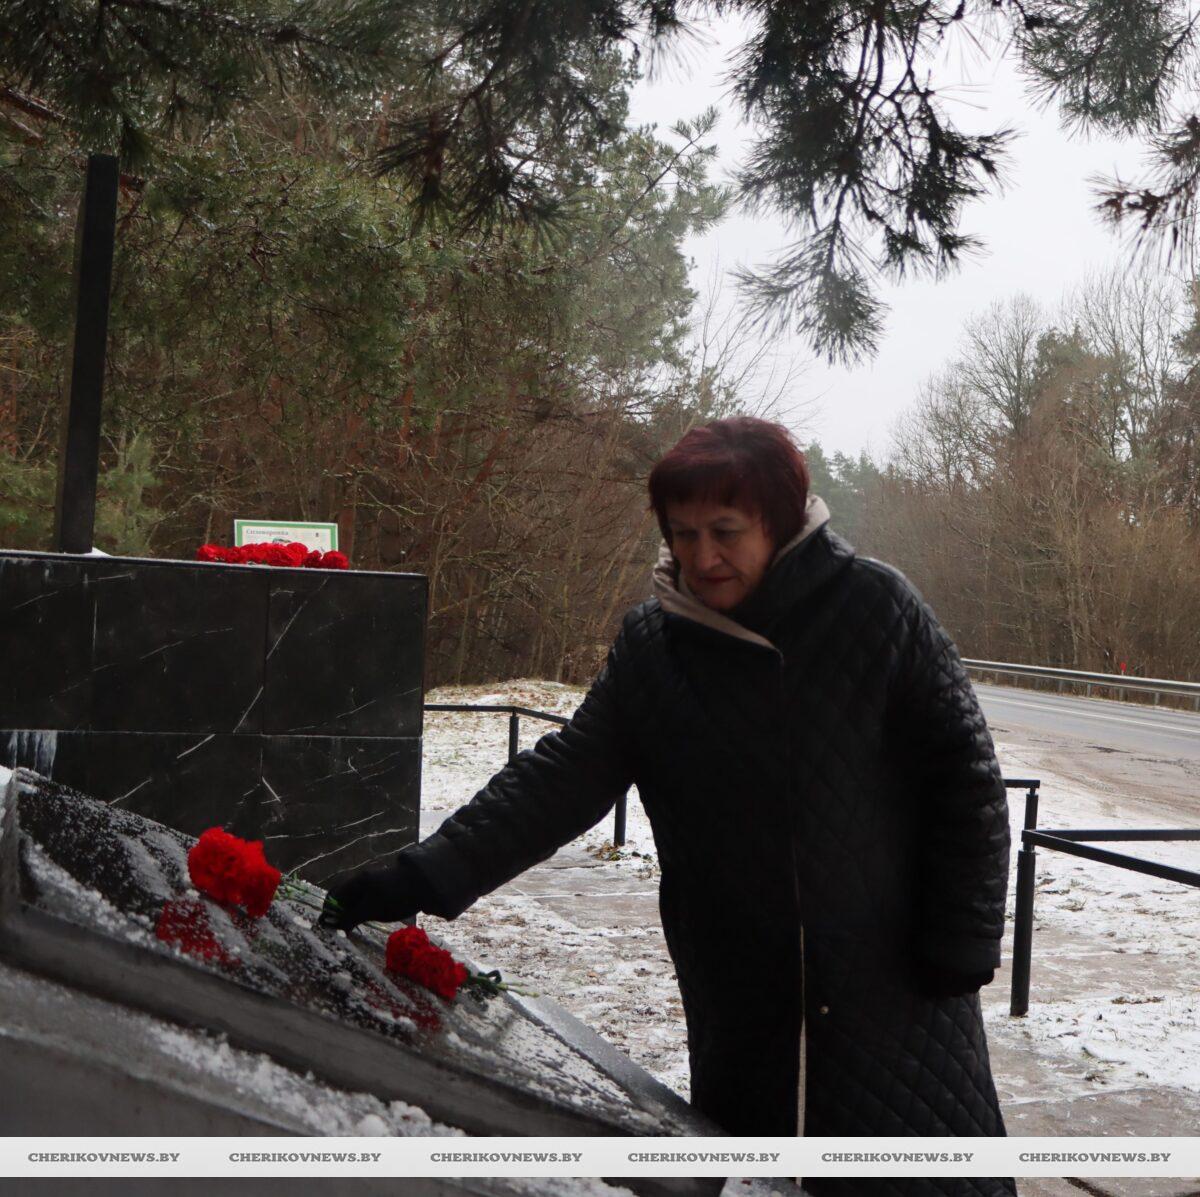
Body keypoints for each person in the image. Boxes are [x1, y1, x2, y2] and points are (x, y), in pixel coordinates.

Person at [322, 417, 1015, 1196]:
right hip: (739, 995)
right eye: (683, 534)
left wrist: (960, 938)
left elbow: (967, 779)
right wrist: (426, 873)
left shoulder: (875, 607)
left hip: (890, 989)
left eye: (725, 532)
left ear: (780, 521)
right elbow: (563, 776)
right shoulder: (654, 644)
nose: (702, 557)